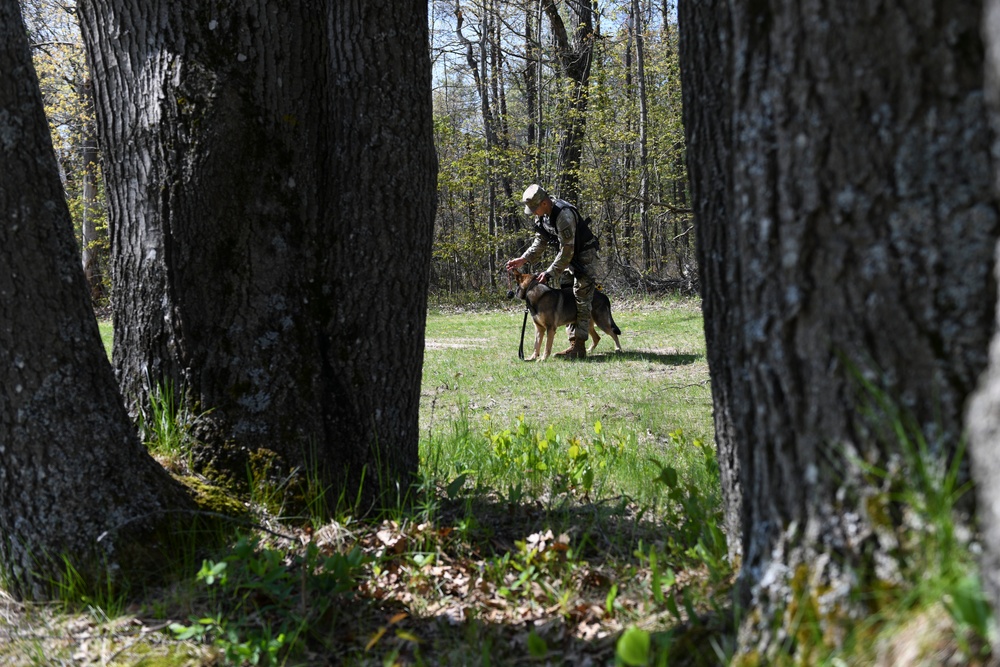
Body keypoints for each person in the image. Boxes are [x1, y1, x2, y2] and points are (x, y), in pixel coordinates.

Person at [505, 184, 599, 359]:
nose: (533, 213)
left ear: (544, 204)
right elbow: (539, 242)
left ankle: (579, 346)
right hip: (567, 261)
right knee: (567, 295)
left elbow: (567, 250)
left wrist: (549, 273)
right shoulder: (542, 217)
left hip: (584, 258)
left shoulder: (564, 216)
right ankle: (573, 343)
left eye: (534, 209)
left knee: (581, 298)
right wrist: (523, 259)